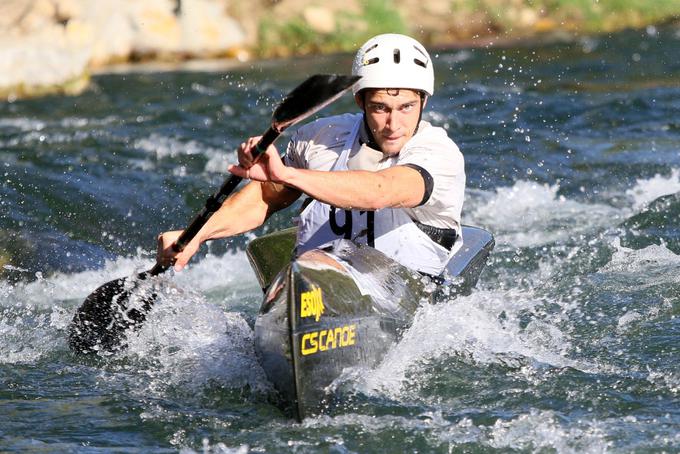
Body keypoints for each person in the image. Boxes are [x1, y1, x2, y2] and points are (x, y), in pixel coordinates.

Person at [157, 33, 465, 276]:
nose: (393, 124)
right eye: (380, 107)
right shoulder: (319, 139)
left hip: (404, 280)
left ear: (423, 101)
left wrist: (287, 174)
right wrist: (197, 235)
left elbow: (381, 191)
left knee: (315, 264)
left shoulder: (438, 153)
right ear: (360, 102)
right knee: (309, 266)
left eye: (406, 107)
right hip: (316, 276)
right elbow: (264, 198)